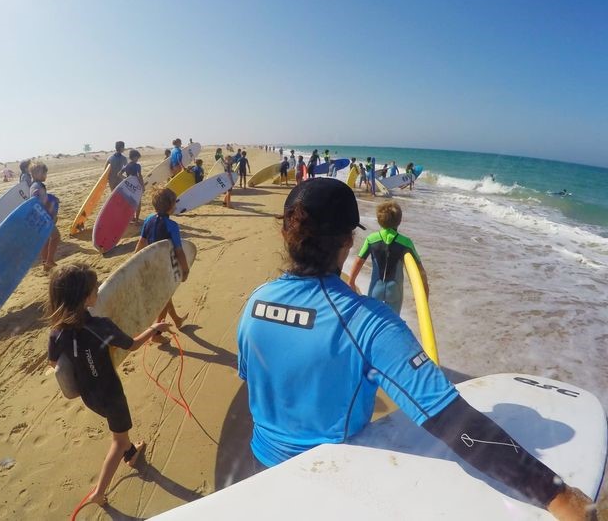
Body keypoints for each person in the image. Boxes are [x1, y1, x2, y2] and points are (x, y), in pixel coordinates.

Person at [236, 178, 594, 520]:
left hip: (260, 470)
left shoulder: (255, 302)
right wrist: (556, 493)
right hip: (328, 480)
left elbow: (257, 379)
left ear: (286, 233)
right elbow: (453, 422)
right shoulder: (368, 323)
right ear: (347, 240)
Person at [46, 263, 173, 506]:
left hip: (89, 395)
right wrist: (154, 328)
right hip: (111, 394)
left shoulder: (56, 333)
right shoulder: (102, 327)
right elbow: (133, 345)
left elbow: (55, 364)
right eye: (95, 289)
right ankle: (99, 492)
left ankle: (132, 454)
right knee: (117, 439)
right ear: (85, 298)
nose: (98, 292)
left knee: (119, 429)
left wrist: (83, 359)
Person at [347, 201, 427, 315]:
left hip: (375, 288)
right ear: (399, 221)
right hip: (395, 291)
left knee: (373, 319)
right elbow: (420, 270)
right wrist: (424, 292)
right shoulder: (406, 243)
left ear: (379, 220)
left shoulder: (371, 239)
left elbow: (359, 261)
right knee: (393, 321)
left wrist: (351, 281)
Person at [135, 188, 190, 331]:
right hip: (163, 267)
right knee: (164, 298)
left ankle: (177, 320)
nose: (176, 206)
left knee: (166, 295)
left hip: (149, 264)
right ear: (171, 206)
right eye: (175, 203)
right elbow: (179, 251)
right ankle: (157, 333)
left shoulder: (148, 220)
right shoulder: (172, 226)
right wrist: (185, 269)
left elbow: (141, 242)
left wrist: (134, 262)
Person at [29, 161, 61, 270]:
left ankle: (45, 263)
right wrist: (51, 208)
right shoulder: (38, 186)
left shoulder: (33, 185)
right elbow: (40, 199)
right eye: (44, 173)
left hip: (39, 217)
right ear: (38, 173)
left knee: (46, 239)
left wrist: (52, 197)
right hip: (44, 217)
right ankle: (50, 260)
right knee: (56, 237)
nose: (45, 175)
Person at [121, 149, 144, 223]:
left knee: (130, 202)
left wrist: (127, 180)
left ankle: (132, 218)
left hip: (128, 187)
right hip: (136, 186)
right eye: (137, 157)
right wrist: (143, 186)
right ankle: (136, 220)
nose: (137, 159)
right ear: (134, 157)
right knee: (138, 203)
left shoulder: (126, 166)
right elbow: (140, 176)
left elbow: (118, 174)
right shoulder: (137, 166)